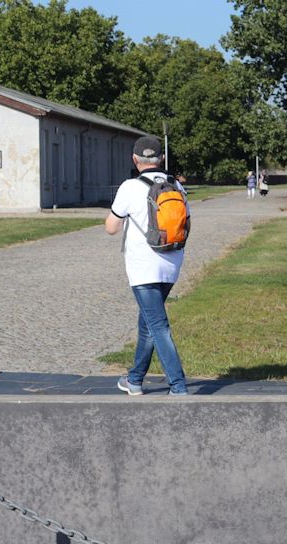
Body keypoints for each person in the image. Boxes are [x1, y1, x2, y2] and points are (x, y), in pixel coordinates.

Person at [105, 134, 188, 396]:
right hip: (171, 262)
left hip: (143, 268)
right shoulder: (176, 185)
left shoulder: (129, 187)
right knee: (148, 323)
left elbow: (111, 228)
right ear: (161, 159)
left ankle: (178, 386)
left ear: (135, 159)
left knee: (158, 326)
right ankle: (135, 380)